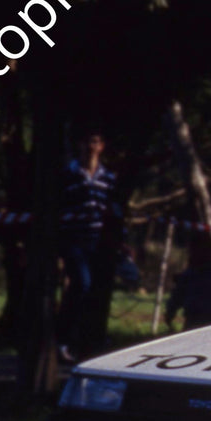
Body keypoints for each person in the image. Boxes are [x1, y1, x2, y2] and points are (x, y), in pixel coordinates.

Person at [58, 130, 121, 362]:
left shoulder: (108, 178)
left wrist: (120, 241)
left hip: (98, 242)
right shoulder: (68, 175)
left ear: (101, 146)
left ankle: (88, 341)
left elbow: (114, 211)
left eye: (94, 142)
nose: (89, 147)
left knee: (95, 291)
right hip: (74, 240)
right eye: (85, 142)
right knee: (81, 284)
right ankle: (63, 338)